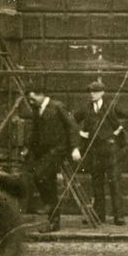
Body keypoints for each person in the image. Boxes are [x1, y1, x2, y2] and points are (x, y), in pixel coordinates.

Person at [22, 88, 81, 233]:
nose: (31, 102)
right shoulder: (37, 110)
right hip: (44, 152)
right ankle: (54, 222)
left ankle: (48, 204)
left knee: (39, 174)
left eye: (32, 98)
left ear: (41, 94)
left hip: (58, 150)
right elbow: (34, 131)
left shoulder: (58, 107)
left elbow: (72, 126)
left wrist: (75, 147)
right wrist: (27, 148)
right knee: (45, 180)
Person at [76, 80, 127, 225]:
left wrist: (118, 130)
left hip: (111, 151)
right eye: (90, 91)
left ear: (102, 92)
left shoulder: (111, 106)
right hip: (94, 152)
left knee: (114, 183)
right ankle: (100, 215)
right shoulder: (86, 108)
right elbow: (72, 120)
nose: (92, 94)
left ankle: (119, 216)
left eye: (95, 91)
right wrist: (81, 133)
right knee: (96, 184)